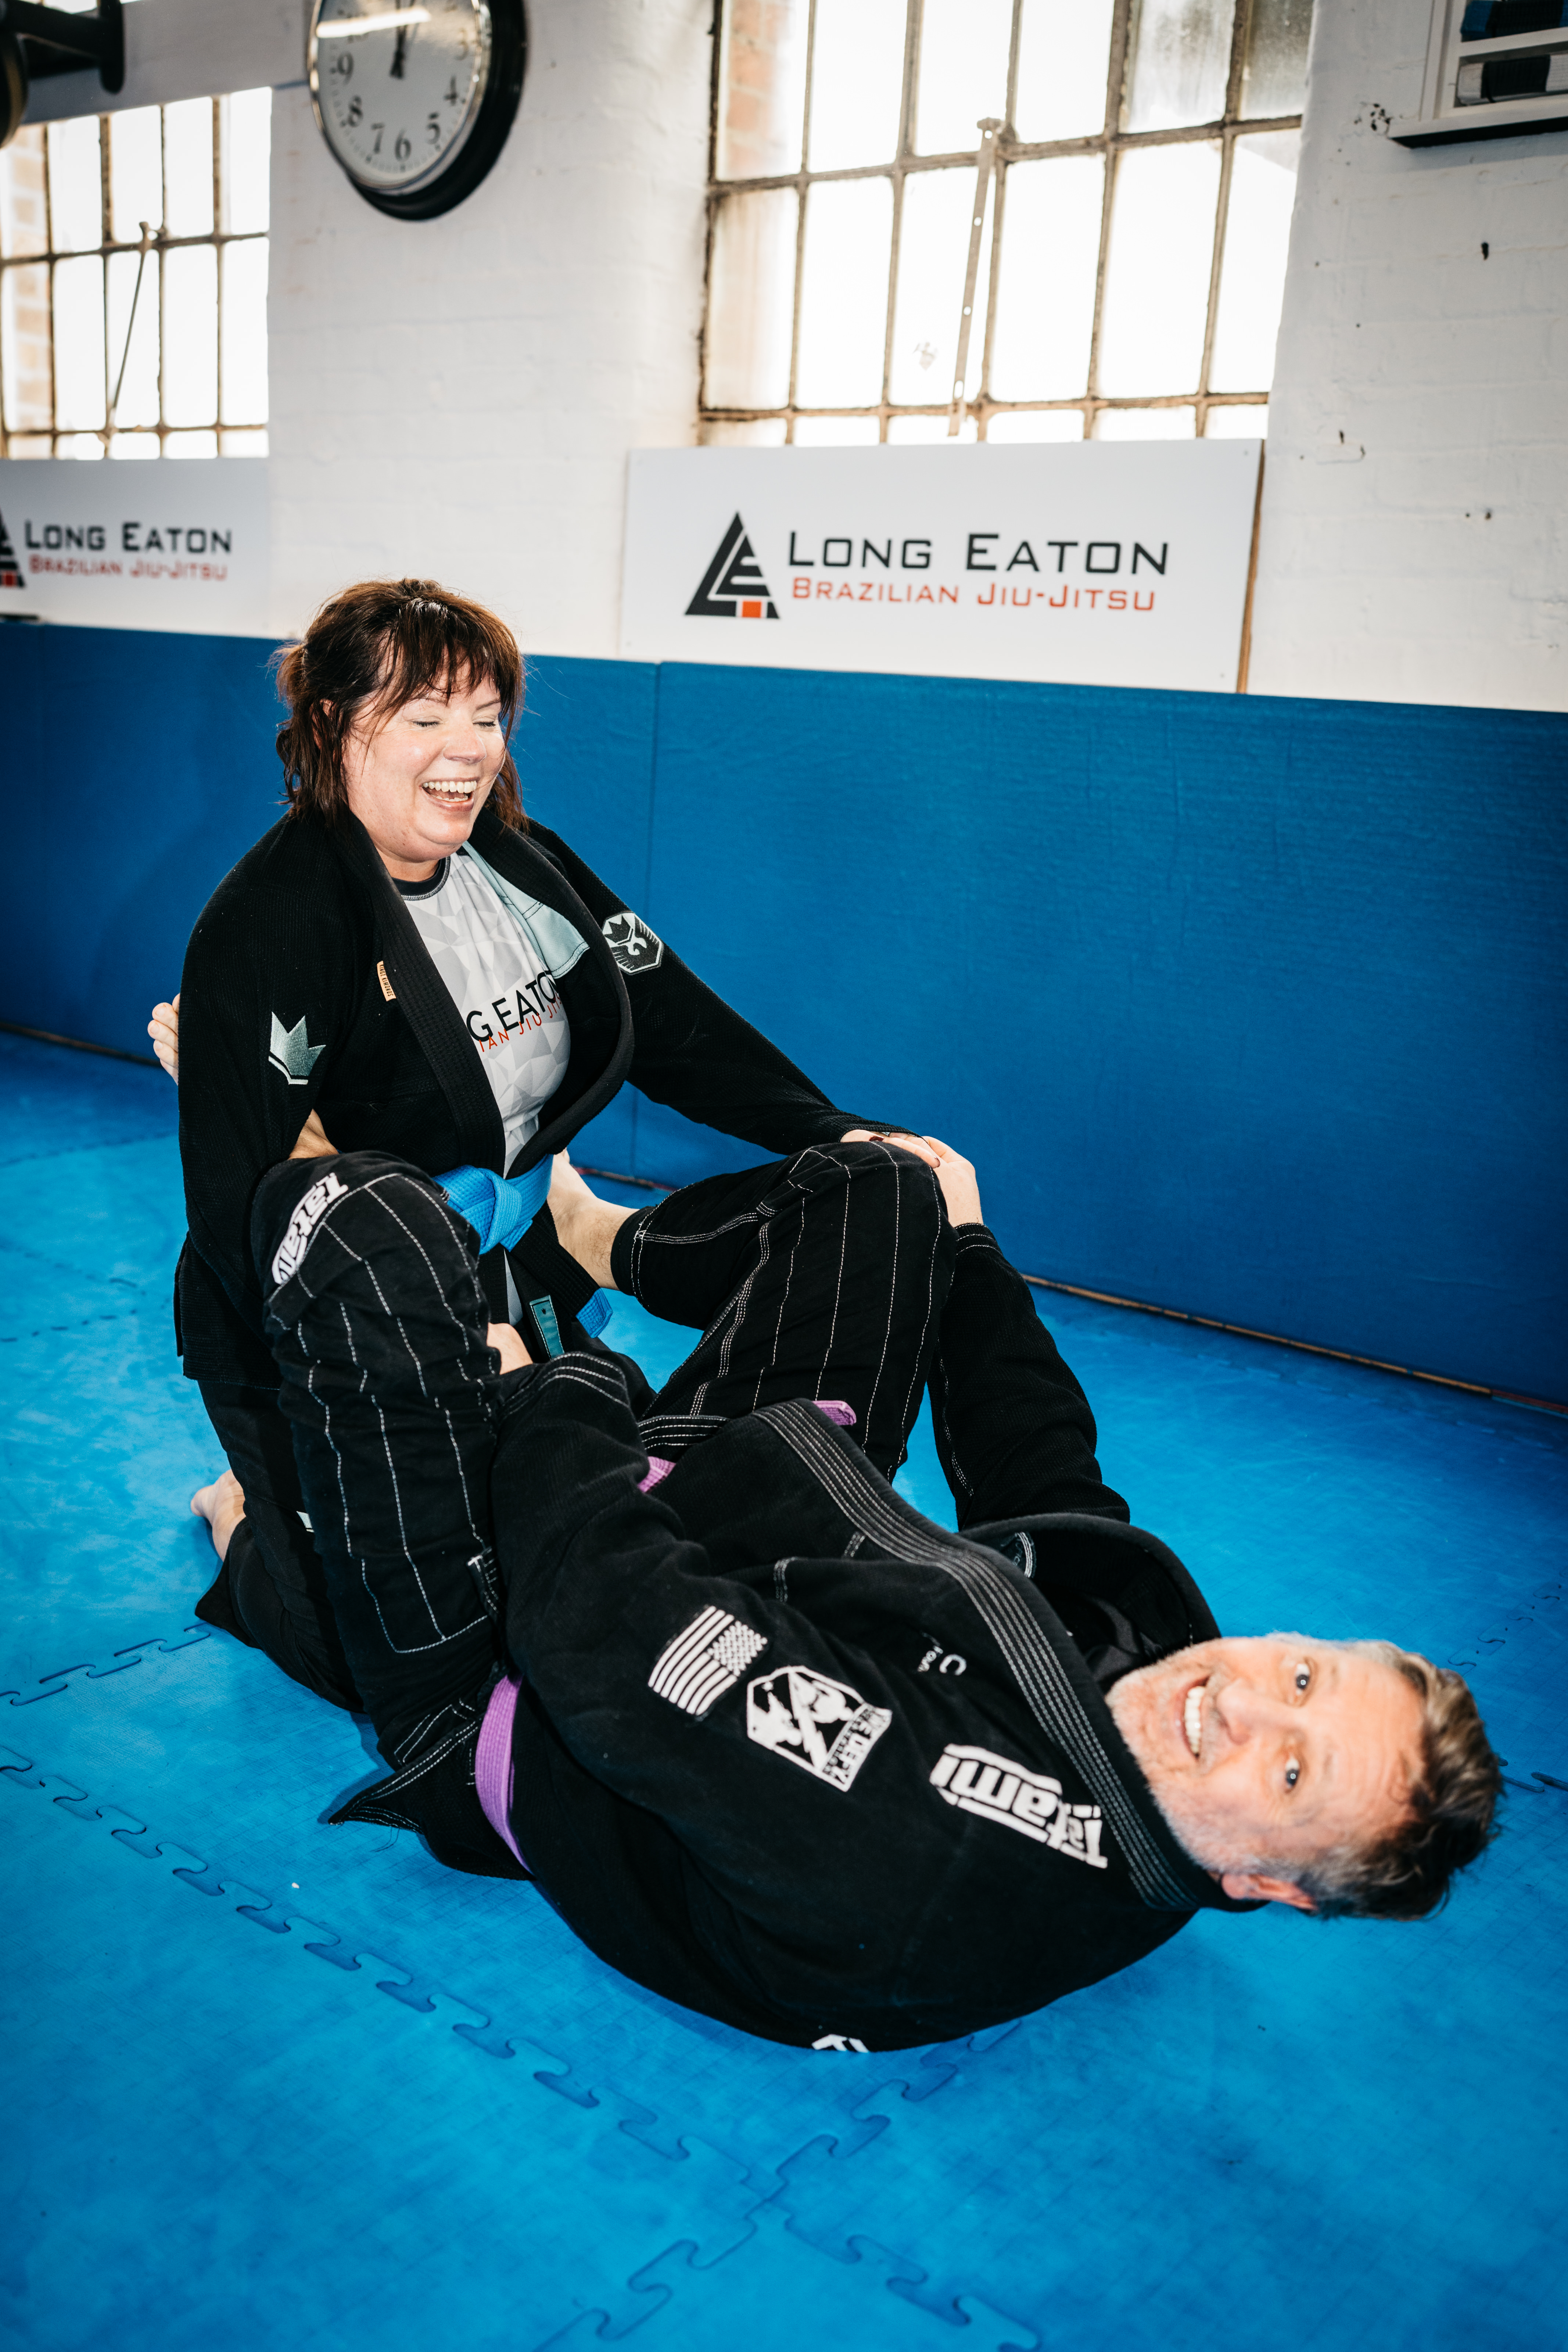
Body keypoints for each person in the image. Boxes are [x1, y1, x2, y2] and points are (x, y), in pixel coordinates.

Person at [190, 1130, 1501, 2053]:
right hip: (734, 1514)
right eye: (1306, 1677)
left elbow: (604, 1624)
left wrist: (553, 1388)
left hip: (509, 1679)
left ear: (1272, 1887)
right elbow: (1051, 1482)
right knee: (892, 1191)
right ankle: (605, 1242)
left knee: (360, 1228)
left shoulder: (920, 1842)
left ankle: (261, 1532)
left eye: (1288, 1775)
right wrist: (975, 1244)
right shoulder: (1158, 1707)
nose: (1245, 1705)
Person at [163, 576, 930, 1706]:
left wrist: (840, 1131)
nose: (464, 749)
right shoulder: (271, 922)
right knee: (403, 1653)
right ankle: (244, 1514)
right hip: (349, 1315)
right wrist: (408, 1358)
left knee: (609, 1556)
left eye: (485, 715)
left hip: (517, 1269)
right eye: (421, 716)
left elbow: (674, 1022)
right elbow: (238, 1209)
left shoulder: (526, 865)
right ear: (330, 725)